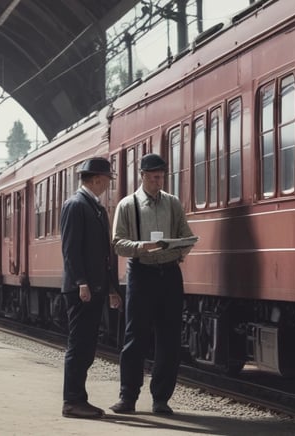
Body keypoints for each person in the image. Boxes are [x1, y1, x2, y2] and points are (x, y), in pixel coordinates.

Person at [109, 153, 194, 416]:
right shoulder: (128, 205)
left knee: (169, 339)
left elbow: (186, 235)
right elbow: (117, 243)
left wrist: (181, 248)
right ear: (143, 176)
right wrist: (140, 247)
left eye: (162, 176)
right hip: (141, 273)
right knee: (136, 337)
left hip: (169, 274)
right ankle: (128, 397)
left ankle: (161, 399)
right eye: (154, 177)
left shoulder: (173, 203)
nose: (159, 181)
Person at [60, 157, 122, 419]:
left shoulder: (94, 207)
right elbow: (71, 250)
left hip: (94, 287)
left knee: (86, 346)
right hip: (82, 289)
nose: (109, 184)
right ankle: (72, 401)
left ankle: (78, 399)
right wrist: (81, 282)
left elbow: (103, 254)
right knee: (79, 345)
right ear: (97, 179)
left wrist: (110, 288)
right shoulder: (76, 205)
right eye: (108, 179)